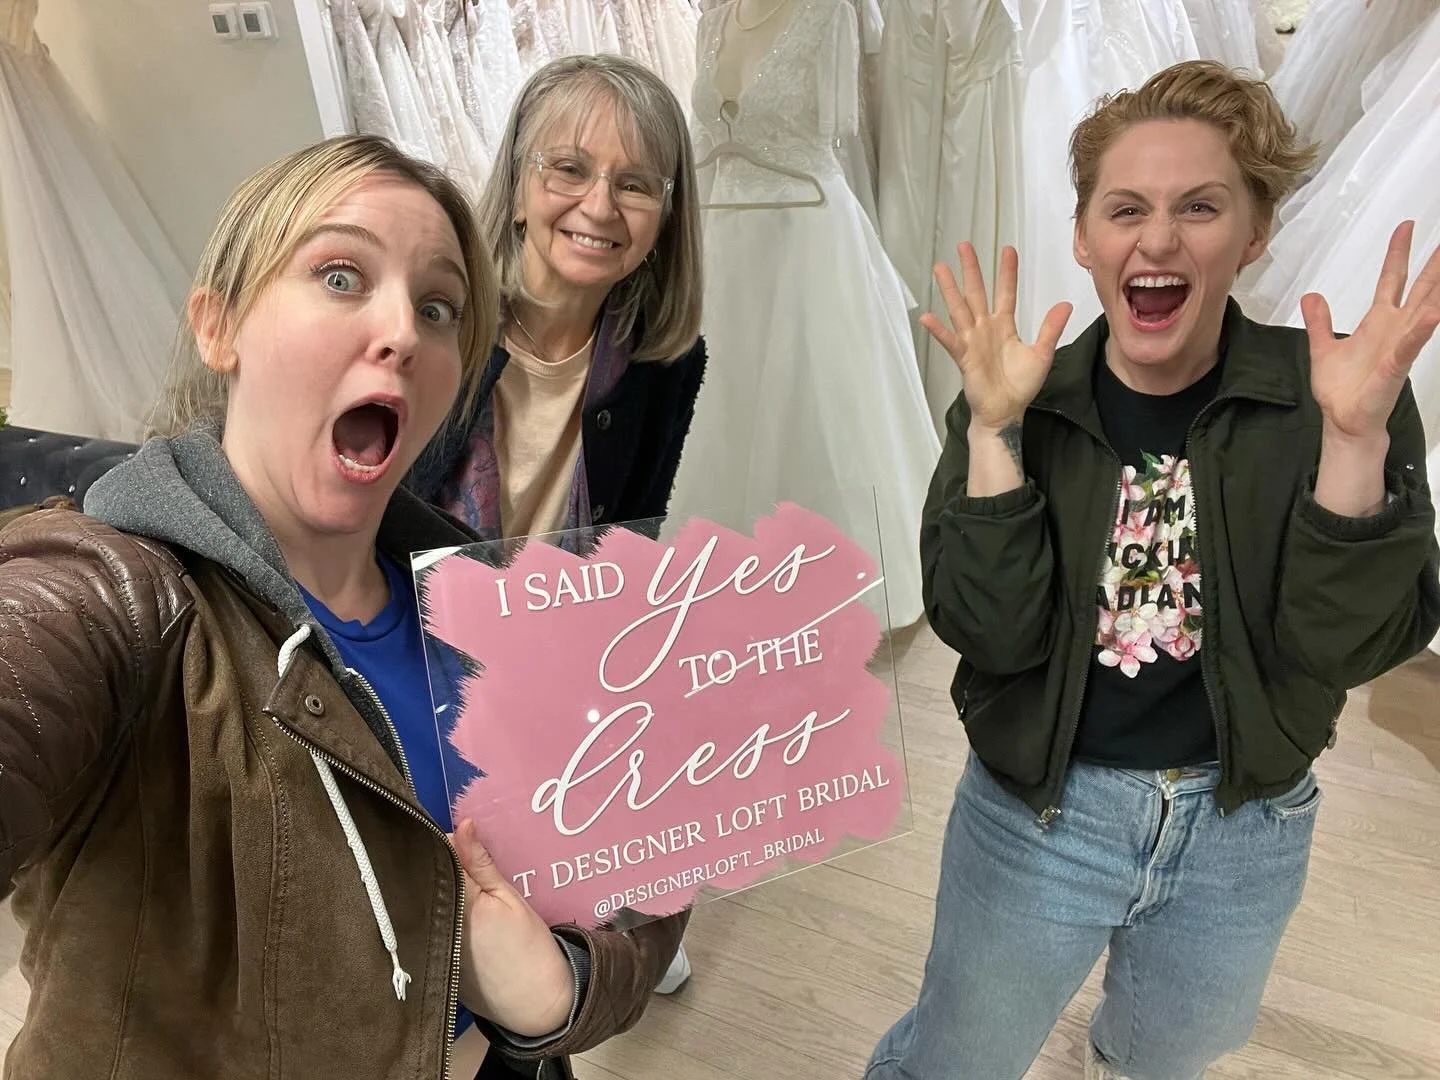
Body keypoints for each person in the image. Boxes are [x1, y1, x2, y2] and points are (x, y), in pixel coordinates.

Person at [0, 134, 684, 1079]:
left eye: (438, 307)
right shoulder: (114, 598)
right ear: (219, 326)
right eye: (339, 276)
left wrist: (560, 992)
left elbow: (651, 858)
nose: (402, 331)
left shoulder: (489, 606)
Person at [867, 60, 1440, 1080]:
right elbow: (991, 633)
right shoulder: (1021, 400)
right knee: (954, 1061)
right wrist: (993, 433)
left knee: (1160, 1063)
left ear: (1255, 233)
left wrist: (1354, 443)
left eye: (1200, 207)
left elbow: (1344, 648)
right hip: (1038, 816)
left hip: (1245, 827)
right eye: (1127, 209)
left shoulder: (1335, 399)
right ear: (1084, 237)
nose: (1159, 240)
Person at [406, 54, 706, 994]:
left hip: (562, 622)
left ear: (667, 215)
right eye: (569, 169)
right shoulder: (441, 324)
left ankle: (592, 886)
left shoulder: (665, 359)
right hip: (423, 623)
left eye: (636, 184)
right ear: (520, 185)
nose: (599, 206)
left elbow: (635, 526)